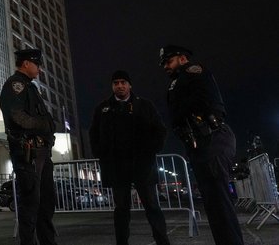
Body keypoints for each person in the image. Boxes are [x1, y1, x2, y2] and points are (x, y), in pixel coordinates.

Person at [159, 45, 244, 245]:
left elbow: (201, 103)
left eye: (168, 61)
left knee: (220, 204)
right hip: (200, 143)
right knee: (214, 206)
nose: (165, 67)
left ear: (182, 58)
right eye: (163, 63)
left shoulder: (193, 72)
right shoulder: (178, 80)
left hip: (211, 138)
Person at [89, 70, 170, 245]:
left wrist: (152, 150)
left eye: (123, 82)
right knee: (121, 209)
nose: (120, 86)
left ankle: (163, 241)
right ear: (112, 86)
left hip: (142, 164)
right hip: (117, 167)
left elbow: (160, 130)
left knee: (152, 206)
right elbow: (93, 134)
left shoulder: (144, 106)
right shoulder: (103, 109)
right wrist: (100, 153)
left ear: (130, 85)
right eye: (116, 83)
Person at [0, 48, 57, 245]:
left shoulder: (29, 87)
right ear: (26, 64)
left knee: (46, 205)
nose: (39, 69)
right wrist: (43, 125)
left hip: (41, 153)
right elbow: (17, 117)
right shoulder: (16, 85)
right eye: (37, 64)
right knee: (30, 207)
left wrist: (48, 131)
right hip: (28, 155)